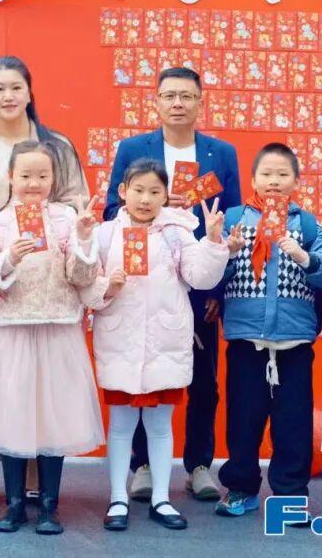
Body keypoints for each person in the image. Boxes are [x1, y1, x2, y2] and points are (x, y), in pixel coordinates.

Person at [0, 55, 89, 502]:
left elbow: (77, 200)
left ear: (30, 92)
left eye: (16, 87)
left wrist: (67, 227)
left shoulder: (57, 145)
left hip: (46, 277)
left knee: (38, 379)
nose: (8, 96)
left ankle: (34, 468)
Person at [103, 66, 241, 502]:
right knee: (139, 376)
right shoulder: (133, 149)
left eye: (186, 96)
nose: (177, 103)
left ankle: (199, 464)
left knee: (203, 380)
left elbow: (233, 221)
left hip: (201, 280)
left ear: (200, 102)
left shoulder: (221, 153)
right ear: (157, 101)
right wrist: (159, 208)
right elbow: (111, 209)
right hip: (145, 281)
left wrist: (218, 292)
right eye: (169, 96)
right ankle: (142, 465)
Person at [0, 140, 103, 535]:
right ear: (11, 177)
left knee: (54, 419)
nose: (34, 183)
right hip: (9, 333)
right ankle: (14, 507)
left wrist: (84, 240)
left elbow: (81, 277)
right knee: (11, 415)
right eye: (25, 175)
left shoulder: (67, 218)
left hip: (57, 330)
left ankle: (48, 507)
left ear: (53, 178)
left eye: (43, 175)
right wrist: (8, 258)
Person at [86, 159, 229, 532]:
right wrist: (107, 287)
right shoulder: (105, 234)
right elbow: (86, 286)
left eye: (154, 192)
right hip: (120, 341)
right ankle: (118, 497)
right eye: (138, 190)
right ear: (123, 192)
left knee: (160, 424)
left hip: (165, 343)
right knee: (121, 425)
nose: (145, 199)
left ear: (166, 195)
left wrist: (213, 242)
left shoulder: (178, 232)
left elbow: (200, 277)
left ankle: (161, 499)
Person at [216, 143, 322, 521]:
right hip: (246, 339)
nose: (274, 181)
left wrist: (304, 257)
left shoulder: (307, 225)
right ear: (253, 179)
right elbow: (208, 276)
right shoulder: (233, 220)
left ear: (296, 181)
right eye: (266, 174)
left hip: (294, 341)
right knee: (243, 419)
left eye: (283, 174)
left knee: (293, 424)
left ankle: (290, 494)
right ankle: (241, 488)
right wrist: (226, 251)